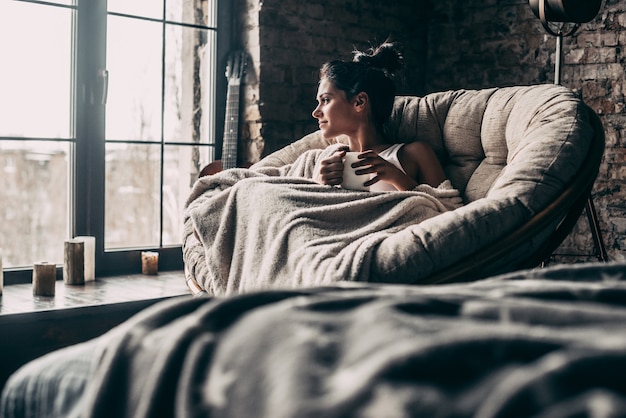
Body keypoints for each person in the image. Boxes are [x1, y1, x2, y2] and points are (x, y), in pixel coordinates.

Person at [312, 41, 447, 191]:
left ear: (359, 102)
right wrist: (317, 185)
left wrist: (397, 177)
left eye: (325, 100)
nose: (315, 112)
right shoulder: (328, 161)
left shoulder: (414, 154)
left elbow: (450, 208)